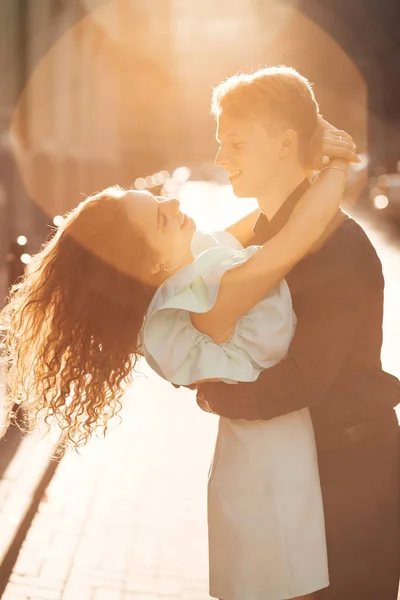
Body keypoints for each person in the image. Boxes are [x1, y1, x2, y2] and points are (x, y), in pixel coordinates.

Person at [1, 112, 353, 597]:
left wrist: (299, 162)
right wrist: (336, 169)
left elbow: (264, 219)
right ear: (150, 263)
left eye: (159, 199)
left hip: (281, 451)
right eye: (161, 216)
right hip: (272, 475)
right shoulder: (190, 299)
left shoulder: (194, 265)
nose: (173, 202)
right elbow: (293, 236)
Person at [195, 66, 400, 600]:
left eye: (235, 143)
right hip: (298, 473)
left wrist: (211, 392)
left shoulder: (335, 247)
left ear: (286, 143)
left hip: (350, 485)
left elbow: (302, 380)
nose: (222, 158)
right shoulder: (264, 234)